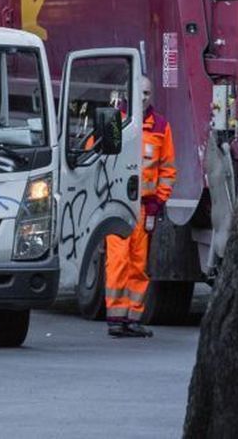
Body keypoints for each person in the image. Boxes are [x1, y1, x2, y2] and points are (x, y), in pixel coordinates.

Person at [105, 76, 176, 337]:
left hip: (145, 207)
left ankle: (132, 318)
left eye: (147, 93)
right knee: (118, 260)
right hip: (117, 205)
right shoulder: (114, 121)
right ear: (128, 93)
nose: (143, 97)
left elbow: (167, 169)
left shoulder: (160, 126)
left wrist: (158, 202)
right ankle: (115, 317)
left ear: (152, 95)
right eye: (139, 92)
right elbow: (98, 160)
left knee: (138, 263)